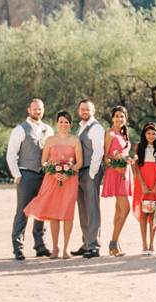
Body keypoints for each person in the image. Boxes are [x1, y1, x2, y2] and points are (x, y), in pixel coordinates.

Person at [23, 110, 83, 258]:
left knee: (68, 213)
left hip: (70, 180)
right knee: (54, 213)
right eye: (61, 122)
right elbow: (44, 161)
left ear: (70, 124)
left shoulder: (75, 140)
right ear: (57, 123)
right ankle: (55, 248)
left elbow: (79, 162)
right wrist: (54, 171)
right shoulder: (50, 140)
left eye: (66, 122)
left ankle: (66, 248)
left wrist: (68, 172)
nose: (63, 125)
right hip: (53, 179)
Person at [6, 98, 54, 260]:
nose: (37, 111)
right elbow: (11, 154)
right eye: (34, 109)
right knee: (22, 211)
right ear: (29, 110)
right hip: (26, 175)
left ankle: (40, 246)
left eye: (40, 109)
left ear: (43, 110)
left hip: (44, 176)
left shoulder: (48, 129)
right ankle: (18, 247)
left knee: (42, 211)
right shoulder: (19, 130)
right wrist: (17, 175)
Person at [72, 99, 105, 258]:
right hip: (80, 172)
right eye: (82, 109)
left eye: (88, 109)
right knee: (83, 208)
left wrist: (92, 173)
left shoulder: (96, 128)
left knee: (92, 208)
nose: (85, 111)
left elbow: (98, 151)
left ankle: (94, 245)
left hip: (91, 171)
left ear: (93, 111)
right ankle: (86, 243)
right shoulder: (81, 127)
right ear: (79, 111)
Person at [100, 105, 132, 256]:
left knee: (119, 210)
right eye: (117, 116)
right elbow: (106, 157)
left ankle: (116, 243)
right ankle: (113, 242)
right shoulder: (110, 134)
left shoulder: (124, 134)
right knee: (126, 208)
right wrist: (117, 167)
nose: (119, 119)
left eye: (122, 116)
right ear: (112, 118)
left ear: (126, 119)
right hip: (115, 172)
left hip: (125, 173)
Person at [132, 123, 156, 254]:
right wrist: (142, 185)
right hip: (142, 183)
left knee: (152, 213)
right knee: (143, 214)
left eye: (153, 134)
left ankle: (152, 245)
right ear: (144, 134)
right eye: (148, 134)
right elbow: (136, 167)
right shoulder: (138, 147)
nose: (151, 136)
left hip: (155, 182)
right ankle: (144, 245)